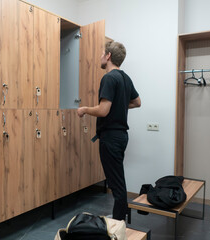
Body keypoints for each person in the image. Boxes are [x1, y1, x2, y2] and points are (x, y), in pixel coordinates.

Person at [77, 41, 141, 220]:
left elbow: (103, 110)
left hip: (111, 138)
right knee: (117, 179)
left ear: (108, 56)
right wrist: (119, 106)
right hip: (121, 137)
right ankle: (120, 215)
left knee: (116, 183)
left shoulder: (109, 78)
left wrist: (85, 109)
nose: (100, 57)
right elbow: (137, 102)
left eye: (101, 53)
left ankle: (119, 222)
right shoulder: (126, 78)